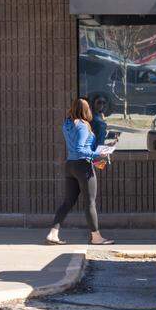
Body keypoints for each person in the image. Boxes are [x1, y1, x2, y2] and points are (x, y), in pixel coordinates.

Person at [46, 98, 112, 245]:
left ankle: (53, 233)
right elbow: (80, 149)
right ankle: (96, 237)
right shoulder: (82, 126)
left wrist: (104, 146)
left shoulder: (67, 124)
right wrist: (98, 155)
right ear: (86, 110)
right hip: (83, 166)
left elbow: (77, 147)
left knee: (68, 202)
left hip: (70, 165)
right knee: (90, 202)